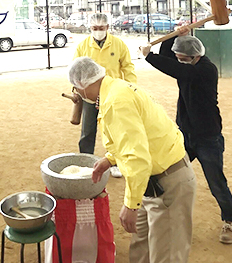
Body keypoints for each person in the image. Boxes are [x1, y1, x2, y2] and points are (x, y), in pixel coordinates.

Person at [68, 56, 197, 263]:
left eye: (76, 88)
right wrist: (109, 160)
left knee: (166, 256)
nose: (77, 94)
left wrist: (131, 205)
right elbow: (133, 138)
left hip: (168, 183)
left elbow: (137, 158)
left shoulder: (115, 102)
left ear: (82, 85)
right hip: (149, 183)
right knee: (141, 251)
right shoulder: (115, 88)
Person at [140, 26, 232, 244]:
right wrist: (174, 35)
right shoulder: (187, 63)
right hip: (185, 135)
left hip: (208, 137)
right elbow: (168, 59)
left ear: (195, 56)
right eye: (178, 58)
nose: (178, 61)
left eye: (182, 58)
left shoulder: (205, 69)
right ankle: (158, 210)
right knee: (166, 170)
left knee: (216, 182)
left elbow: (176, 69)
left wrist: (148, 56)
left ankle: (229, 220)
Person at [73, 13, 137, 155]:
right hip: (89, 96)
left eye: (101, 28)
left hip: (113, 95)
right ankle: (86, 159)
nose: (98, 31)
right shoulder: (82, 46)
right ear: (90, 28)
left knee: (114, 130)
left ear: (107, 27)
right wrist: (76, 90)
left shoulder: (118, 44)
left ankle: (115, 162)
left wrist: (131, 87)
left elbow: (127, 67)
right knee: (88, 131)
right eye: (94, 28)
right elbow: (75, 70)